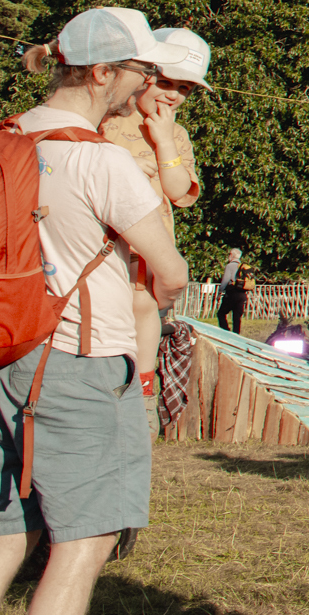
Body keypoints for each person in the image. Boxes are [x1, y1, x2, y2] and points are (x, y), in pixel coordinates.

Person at [0, 8, 192, 615]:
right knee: (84, 542)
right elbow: (170, 270)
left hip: (4, 359)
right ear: (101, 73)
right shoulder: (102, 161)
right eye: (139, 69)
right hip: (81, 362)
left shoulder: (1, 140)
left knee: (2, 540)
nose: (146, 82)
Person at [98, 26, 206, 400]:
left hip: (151, 246)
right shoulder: (109, 119)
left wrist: (164, 141)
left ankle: (142, 393)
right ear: (144, 76)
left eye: (184, 88)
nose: (173, 94)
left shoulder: (177, 134)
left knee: (143, 307)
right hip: (107, 241)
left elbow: (179, 191)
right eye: (166, 82)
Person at [216, 250, 248, 334]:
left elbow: (225, 280)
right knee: (237, 317)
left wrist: (220, 292)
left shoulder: (230, 266)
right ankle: (236, 335)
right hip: (242, 294)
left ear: (231, 255)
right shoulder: (244, 266)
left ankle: (226, 332)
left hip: (231, 293)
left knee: (221, 313)